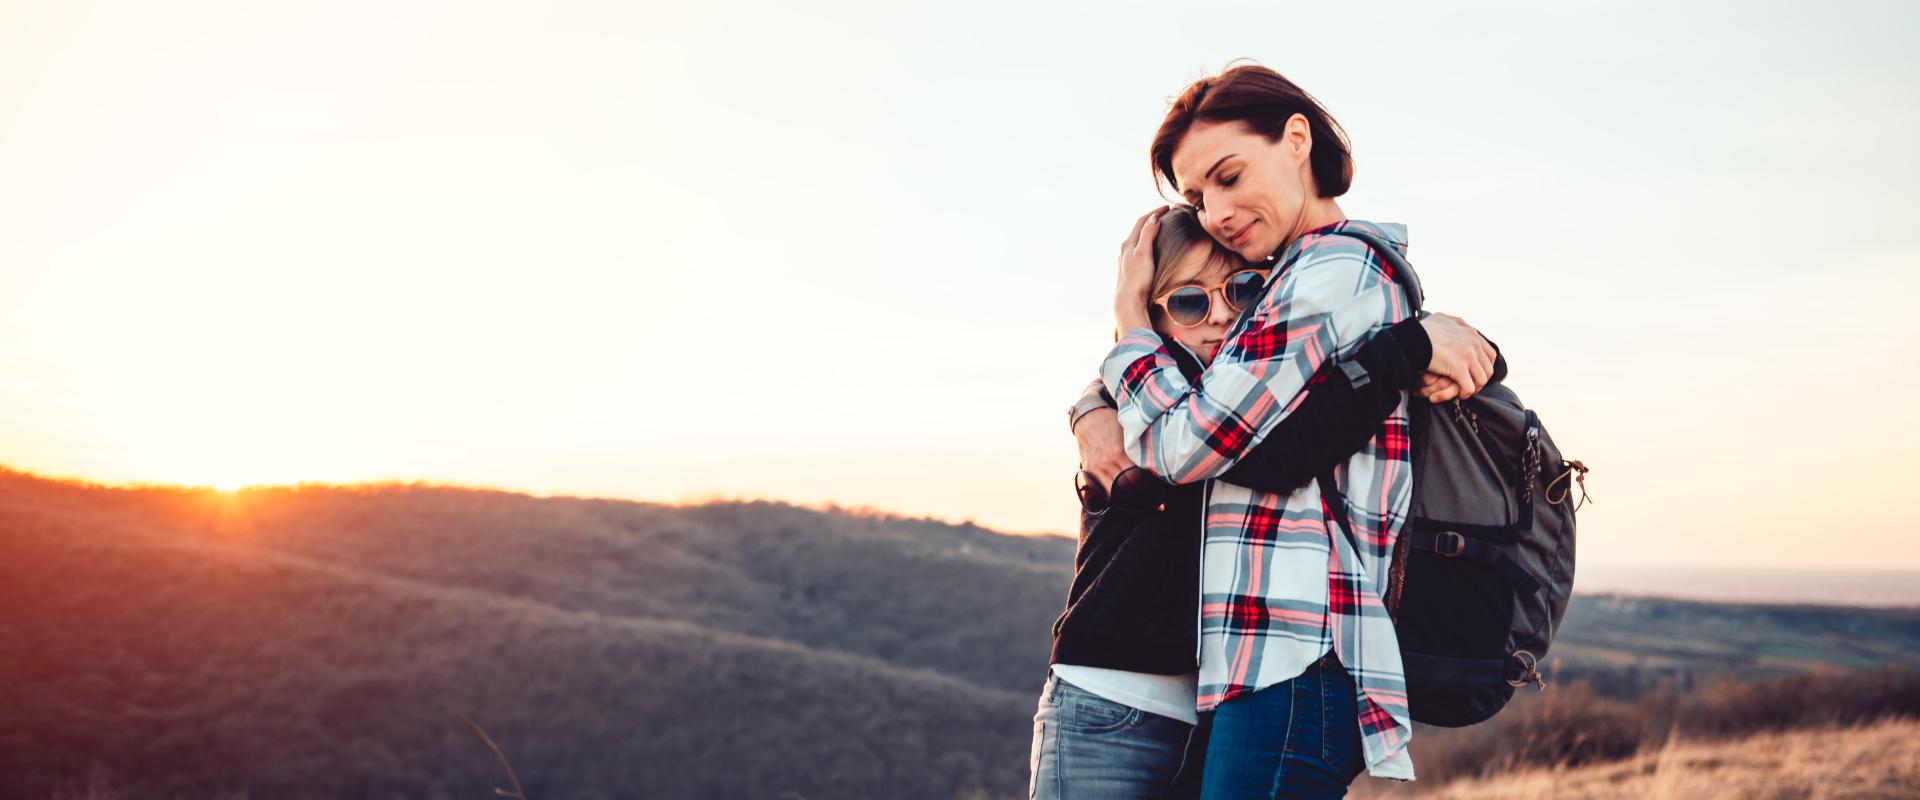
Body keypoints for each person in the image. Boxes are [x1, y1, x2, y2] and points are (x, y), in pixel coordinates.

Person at [1090, 65, 1497, 798]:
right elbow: (1204, 399)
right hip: (1262, 656)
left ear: (1297, 140)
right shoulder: (1286, 280)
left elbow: (1184, 443)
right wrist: (1093, 403)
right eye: (1196, 197)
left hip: (1298, 651)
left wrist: (1127, 315)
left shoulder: (1332, 268)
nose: (1214, 211)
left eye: (1228, 174)